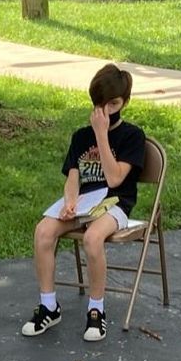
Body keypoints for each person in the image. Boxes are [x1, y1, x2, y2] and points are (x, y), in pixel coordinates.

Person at [23, 62, 150, 345]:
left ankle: (96, 309)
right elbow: (72, 177)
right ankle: (48, 305)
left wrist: (103, 135)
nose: (107, 110)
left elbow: (116, 178)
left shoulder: (132, 136)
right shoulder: (80, 136)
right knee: (43, 230)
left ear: (124, 102)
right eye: (101, 104)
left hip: (115, 204)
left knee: (93, 239)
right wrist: (69, 202)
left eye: (114, 103)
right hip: (83, 202)